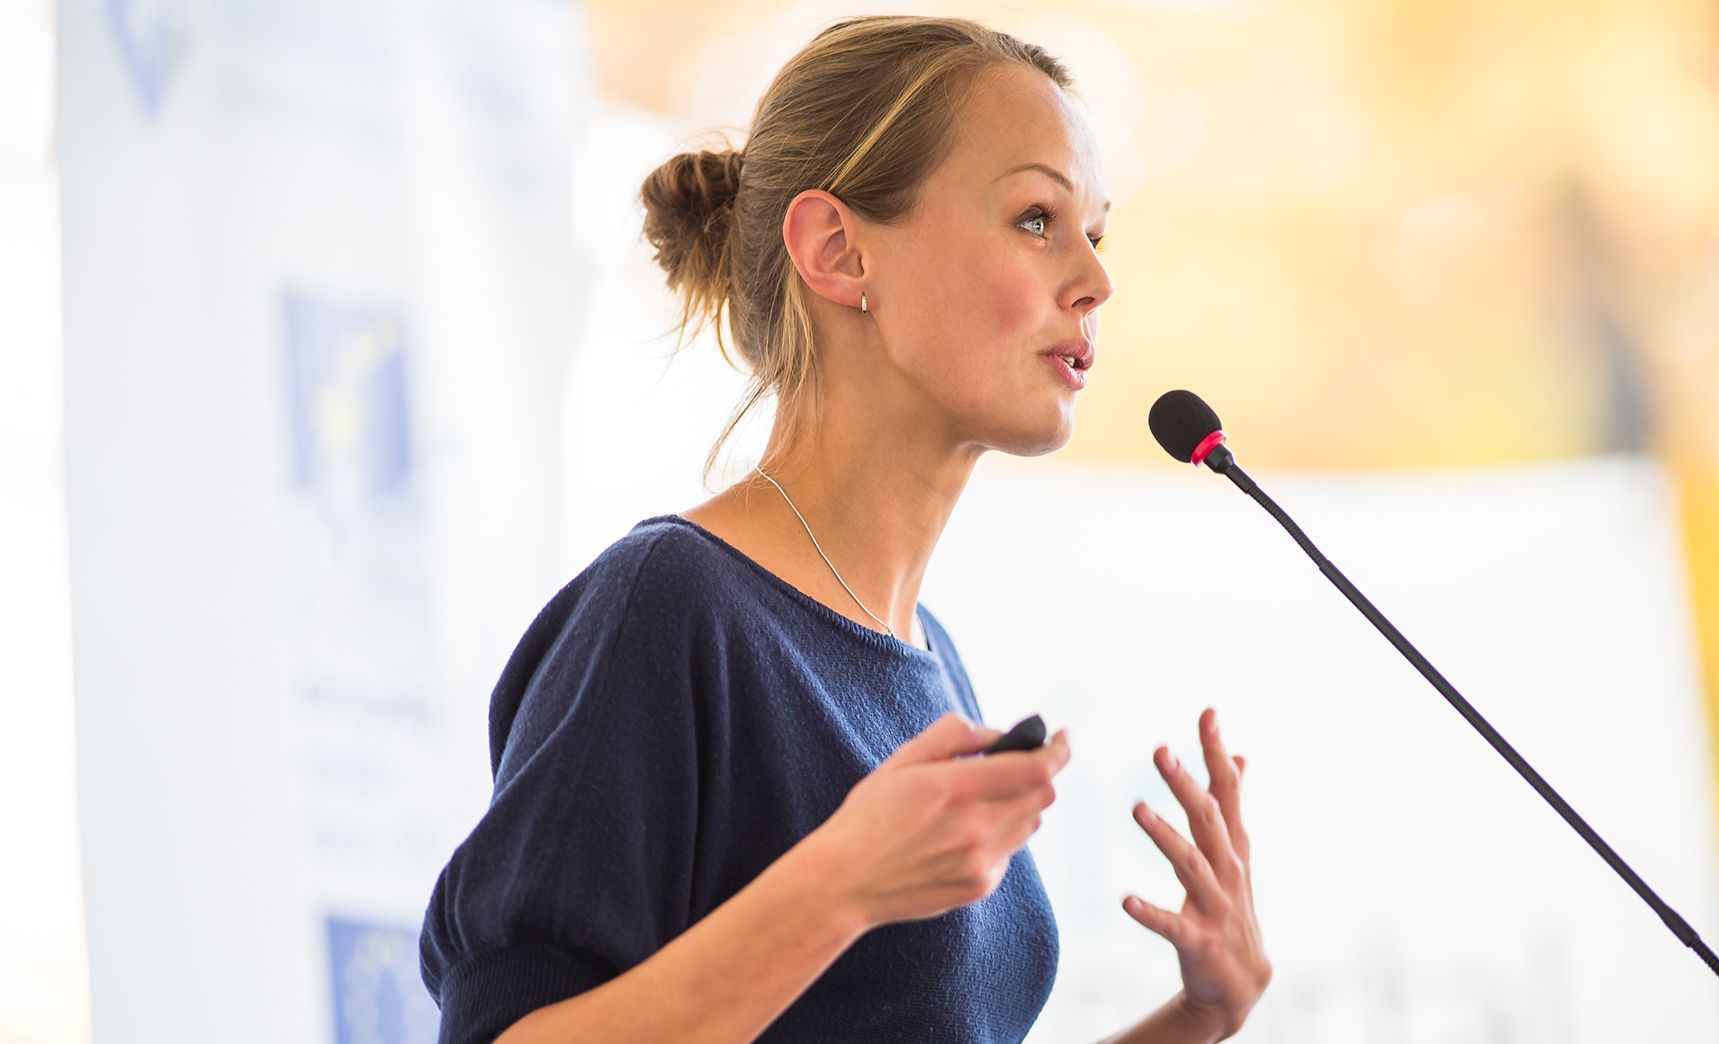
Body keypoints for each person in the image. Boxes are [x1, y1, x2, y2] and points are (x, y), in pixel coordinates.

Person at [418, 15, 1270, 1043]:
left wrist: (1196, 1018)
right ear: (836, 250)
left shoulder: (929, 658)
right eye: (1038, 218)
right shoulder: (669, 610)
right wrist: (840, 888)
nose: (1095, 278)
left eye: (1097, 230)